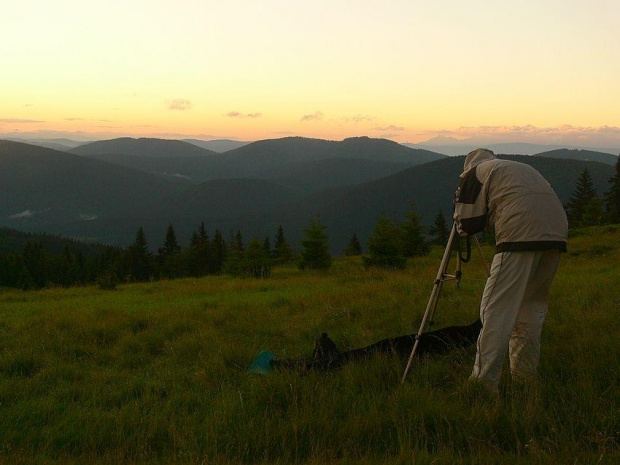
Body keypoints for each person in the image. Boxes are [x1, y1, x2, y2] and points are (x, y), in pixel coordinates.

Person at [453, 148, 568, 394]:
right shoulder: (511, 167)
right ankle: (525, 380)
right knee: (530, 307)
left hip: (519, 233)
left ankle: (482, 385)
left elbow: (467, 224)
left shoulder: (475, 173)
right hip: (556, 233)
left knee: (496, 310)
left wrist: (459, 211)